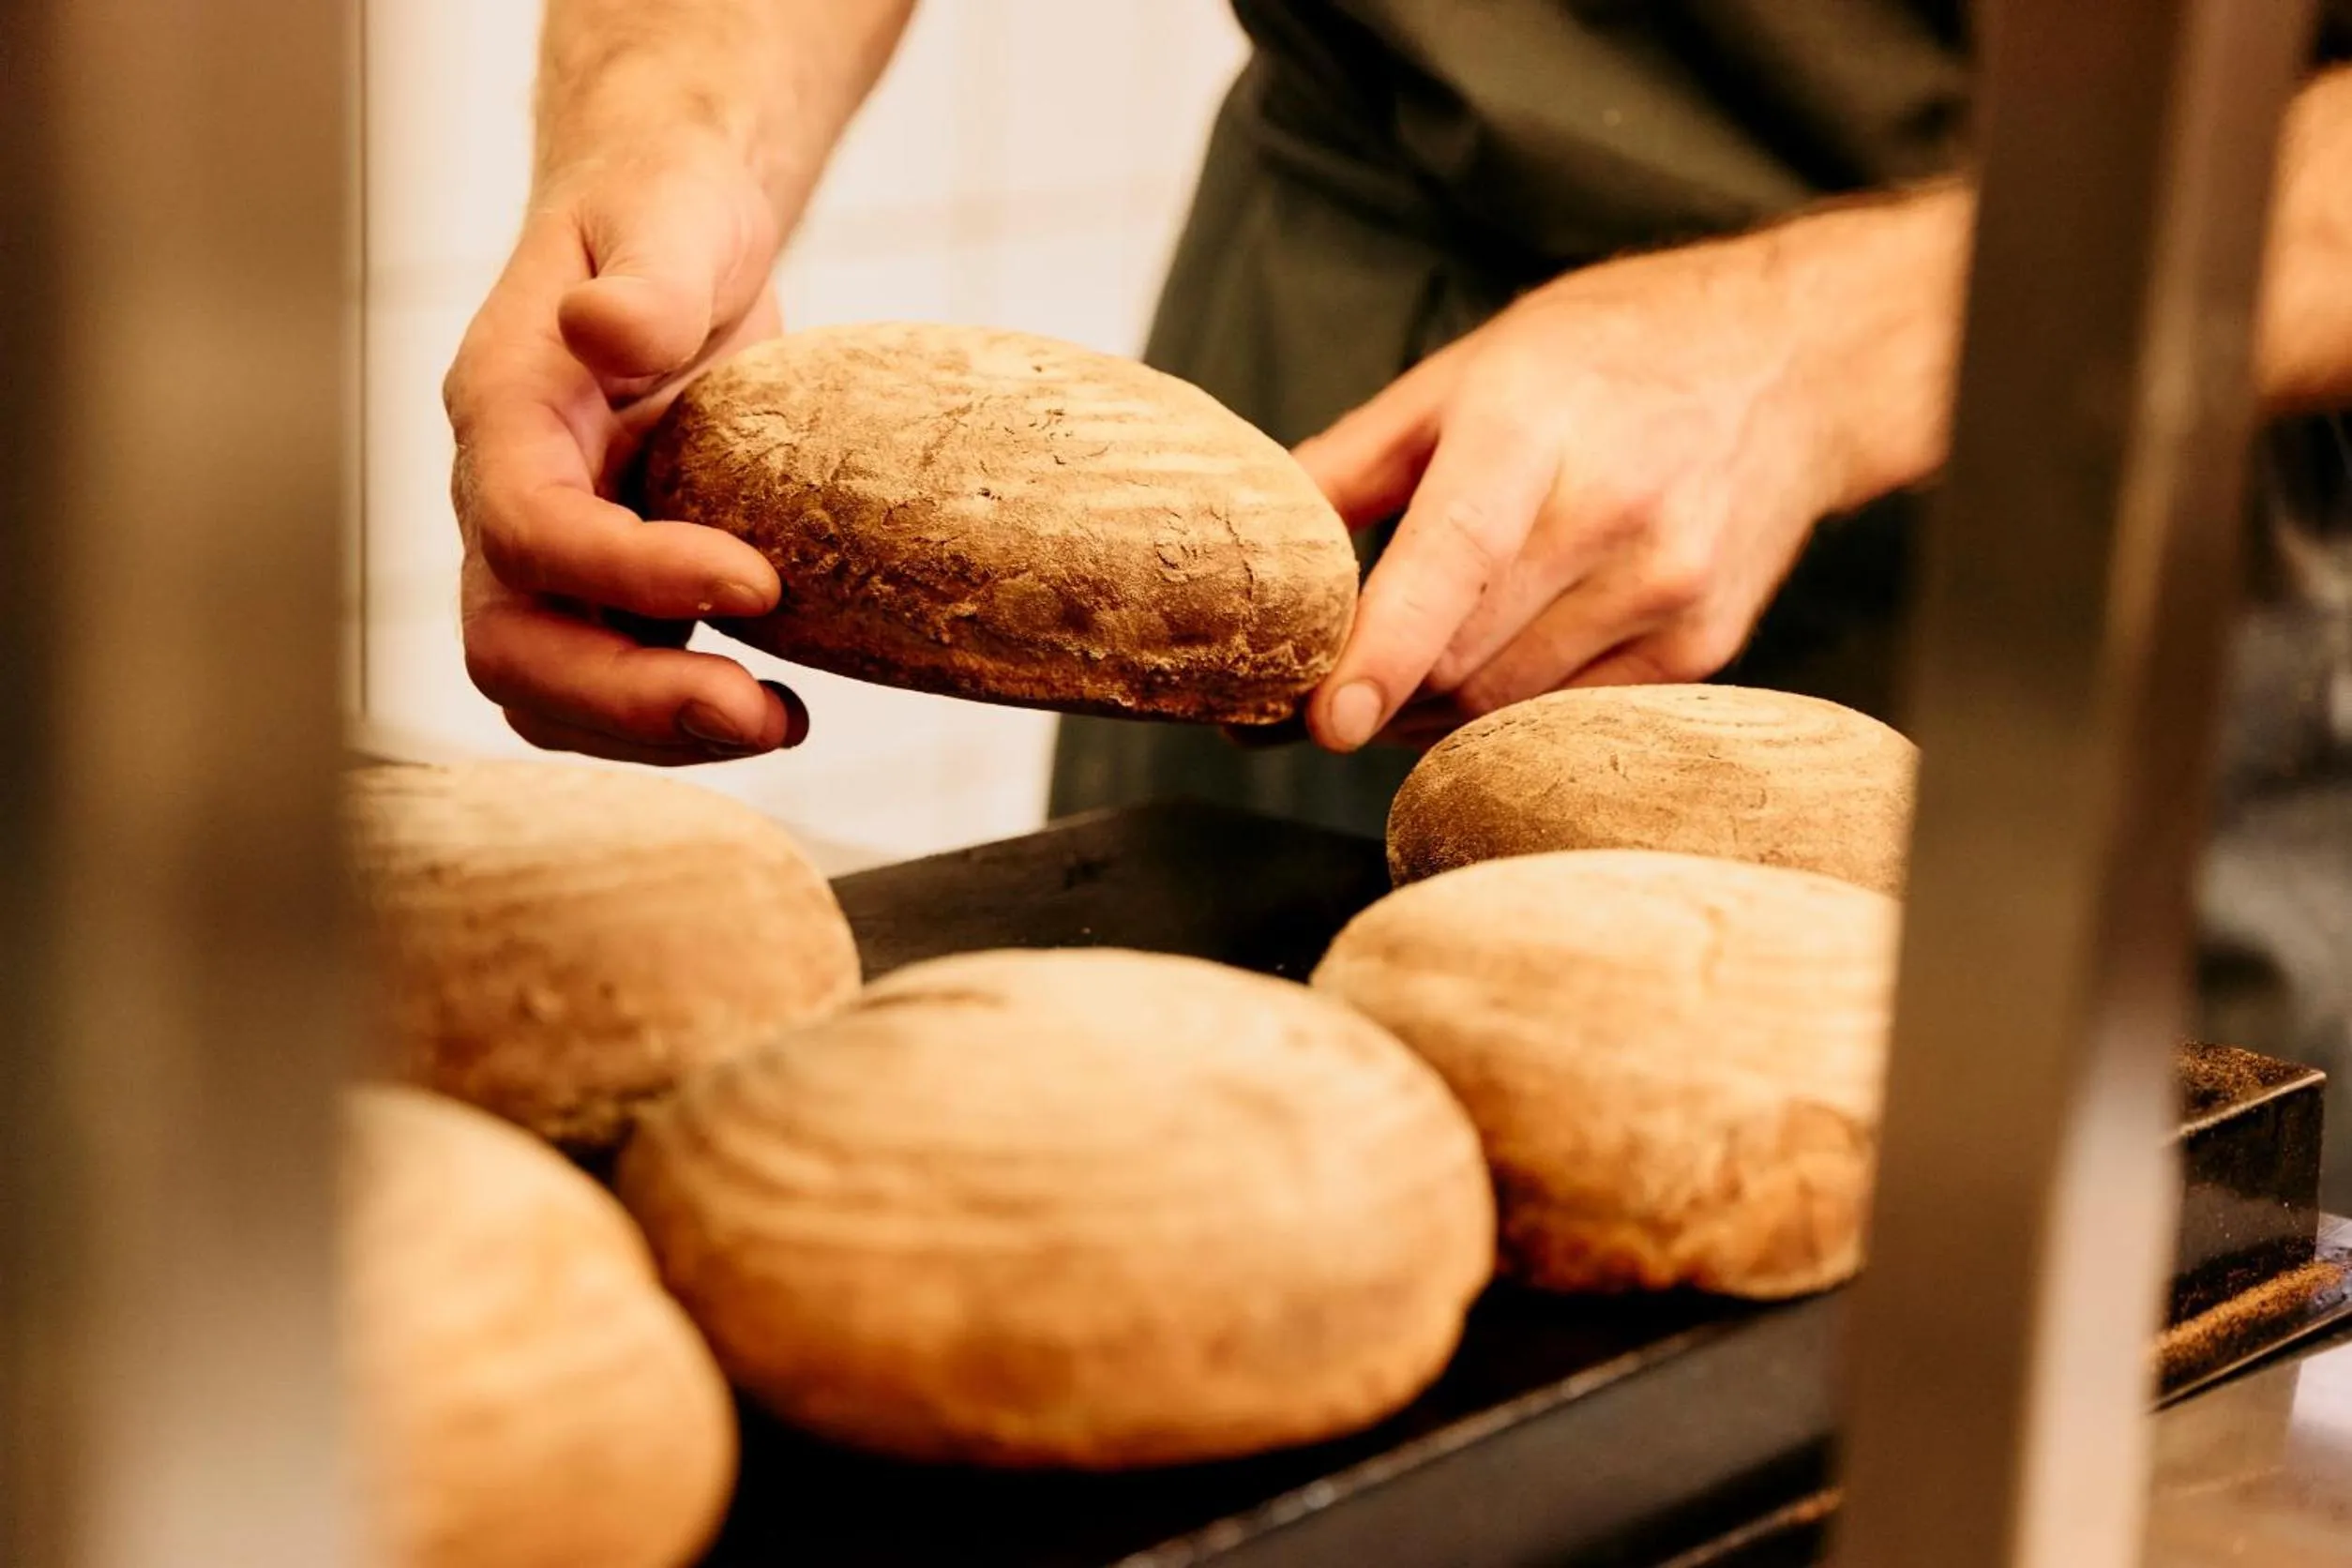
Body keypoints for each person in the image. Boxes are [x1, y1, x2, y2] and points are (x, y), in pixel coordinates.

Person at [445, 2, 2352, 1185]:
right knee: (1168, 1205)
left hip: (2121, 421)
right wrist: (669, 135)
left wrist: (1830, 346)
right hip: (1350, 431)